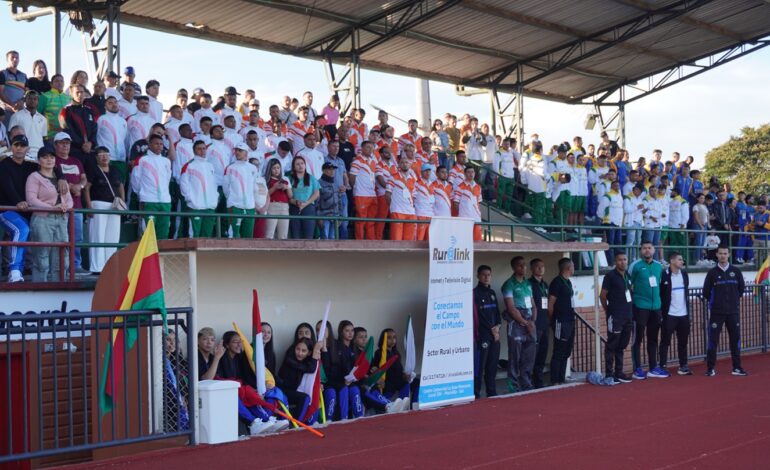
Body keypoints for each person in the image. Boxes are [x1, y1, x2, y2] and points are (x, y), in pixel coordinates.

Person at [26, 147, 73, 282]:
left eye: (51, 157)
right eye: (45, 157)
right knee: (42, 258)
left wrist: (65, 206)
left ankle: (59, 289)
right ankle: (40, 290)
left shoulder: (60, 178)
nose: (49, 160)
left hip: (62, 218)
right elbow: (31, 200)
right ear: (38, 160)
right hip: (42, 219)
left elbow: (69, 200)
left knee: (62, 256)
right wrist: (53, 207)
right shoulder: (34, 177)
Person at [703, 246, 747, 376]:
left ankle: (737, 368)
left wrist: (732, 302)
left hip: (733, 312)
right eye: (720, 253)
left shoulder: (736, 271)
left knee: (735, 340)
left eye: (725, 253)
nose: (723, 256)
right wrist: (716, 304)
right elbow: (706, 292)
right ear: (717, 255)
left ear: (729, 254)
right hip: (717, 313)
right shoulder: (712, 273)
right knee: (713, 341)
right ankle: (710, 368)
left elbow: (741, 289)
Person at [0, 135, 36, 282]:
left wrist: (60, 177)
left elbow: (51, 166)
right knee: (21, 229)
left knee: (28, 229)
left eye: (22, 145)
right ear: (11, 147)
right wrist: (19, 202)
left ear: (27, 148)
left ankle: (20, 270)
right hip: (5, 210)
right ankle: (14, 270)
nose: (19, 148)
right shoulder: (4, 165)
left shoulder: (30, 166)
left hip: (22, 212)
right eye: (16, 145)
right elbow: (7, 187)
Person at [84, 146, 124, 273]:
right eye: (100, 154)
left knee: (112, 237)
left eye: (106, 154)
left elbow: (120, 185)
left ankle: (110, 266)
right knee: (98, 236)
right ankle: (97, 268)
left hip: (114, 206)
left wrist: (122, 201)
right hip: (98, 204)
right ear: (96, 157)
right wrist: (89, 206)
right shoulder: (93, 169)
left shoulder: (114, 169)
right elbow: (86, 188)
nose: (104, 156)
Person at [628, 241, 664, 379]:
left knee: (653, 339)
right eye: (644, 248)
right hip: (640, 307)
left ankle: (653, 367)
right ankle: (637, 368)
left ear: (654, 250)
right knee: (638, 339)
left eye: (649, 248)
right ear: (640, 250)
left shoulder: (659, 266)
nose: (647, 250)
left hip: (656, 308)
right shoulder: (635, 266)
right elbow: (628, 285)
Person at [53, 132, 87, 273]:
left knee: (77, 237)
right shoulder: (52, 160)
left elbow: (84, 178)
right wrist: (70, 187)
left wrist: (80, 186)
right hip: (60, 206)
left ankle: (76, 265)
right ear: (55, 145)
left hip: (77, 205)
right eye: (62, 143)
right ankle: (62, 266)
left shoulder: (76, 161)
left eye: (67, 143)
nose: (65, 145)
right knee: (61, 238)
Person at [501, 256, 537, 392]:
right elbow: (510, 307)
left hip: (529, 321)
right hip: (516, 322)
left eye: (524, 265)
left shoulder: (528, 284)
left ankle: (526, 383)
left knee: (529, 354)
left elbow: (533, 305)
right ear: (514, 268)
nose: (523, 268)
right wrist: (524, 322)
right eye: (520, 265)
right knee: (515, 354)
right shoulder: (509, 284)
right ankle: (513, 385)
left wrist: (532, 321)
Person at [600, 252, 634, 383]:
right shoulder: (610, 276)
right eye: (620, 260)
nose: (623, 262)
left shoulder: (628, 276)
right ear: (615, 261)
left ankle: (619, 372)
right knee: (612, 344)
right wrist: (608, 310)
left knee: (622, 345)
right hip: (615, 316)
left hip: (628, 316)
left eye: (625, 259)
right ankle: (609, 373)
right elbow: (602, 296)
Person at [132, 134, 172, 239]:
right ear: (149, 145)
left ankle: (161, 255)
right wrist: (142, 194)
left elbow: (167, 179)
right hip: (148, 200)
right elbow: (135, 179)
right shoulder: (142, 160)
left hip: (165, 201)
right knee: (147, 233)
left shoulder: (166, 161)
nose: (159, 146)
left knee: (163, 232)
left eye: (161, 144)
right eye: (156, 144)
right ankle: (146, 256)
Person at [658, 251, 692, 376]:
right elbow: (660, 294)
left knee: (683, 342)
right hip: (669, 315)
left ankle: (683, 366)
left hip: (683, 315)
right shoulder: (664, 275)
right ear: (672, 261)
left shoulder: (684, 274)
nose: (682, 262)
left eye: (682, 259)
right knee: (665, 341)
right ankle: (662, 365)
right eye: (679, 259)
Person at [224, 143, 267, 238]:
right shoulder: (230, 168)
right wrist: (231, 200)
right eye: (236, 150)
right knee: (233, 235)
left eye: (240, 150)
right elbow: (226, 188)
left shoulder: (253, 168)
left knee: (248, 236)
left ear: (246, 153)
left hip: (250, 207)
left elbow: (253, 187)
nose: (237, 152)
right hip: (235, 206)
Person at [179, 140, 219, 237]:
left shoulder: (210, 165)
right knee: (194, 235)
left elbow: (214, 184)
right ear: (194, 151)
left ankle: (204, 253)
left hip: (210, 207)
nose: (202, 151)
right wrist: (190, 200)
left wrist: (215, 199)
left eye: (204, 148)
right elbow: (183, 184)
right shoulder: (189, 165)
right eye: (199, 149)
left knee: (207, 235)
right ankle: (192, 253)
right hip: (195, 207)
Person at [278, 337, 322, 423]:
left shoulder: (307, 361)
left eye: (303, 351)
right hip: (284, 390)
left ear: (309, 353)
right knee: (305, 398)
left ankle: (303, 421)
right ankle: (297, 423)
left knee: (311, 396)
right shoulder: (289, 359)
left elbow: (313, 370)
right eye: (298, 349)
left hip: (295, 391)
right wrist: (314, 354)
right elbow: (311, 369)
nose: (299, 353)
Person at [548, 258, 577, 385]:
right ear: (568, 268)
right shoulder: (556, 282)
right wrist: (552, 320)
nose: (574, 268)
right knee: (559, 350)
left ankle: (561, 378)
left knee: (567, 350)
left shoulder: (568, 282)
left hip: (570, 320)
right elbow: (551, 303)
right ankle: (555, 380)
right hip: (560, 321)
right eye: (573, 266)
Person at [473, 265, 501, 398]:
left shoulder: (492, 293)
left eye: (489, 275)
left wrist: (497, 328)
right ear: (478, 276)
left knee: (492, 364)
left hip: (495, 335)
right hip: (483, 335)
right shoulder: (475, 293)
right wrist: (492, 330)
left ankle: (492, 392)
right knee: (480, 366)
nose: (486, 277)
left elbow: (496, 313)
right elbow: (479, 316)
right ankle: (476, 393)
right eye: (483, 274)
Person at [349, 141, 379, 240]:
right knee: (361, 220)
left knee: (371, 221)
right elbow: (352, 177)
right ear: (362, 149)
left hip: (372, 194)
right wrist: (356, 189)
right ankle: (360, 242)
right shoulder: (357, 161)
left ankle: (371, 241)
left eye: (372, 147)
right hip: (361, 194)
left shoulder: (373, 162)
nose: (370, 149)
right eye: (367, 147)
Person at [529, 259, 550, 388]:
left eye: (542, 266)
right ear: (532, 269)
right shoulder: (529, 284)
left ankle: (539, 381)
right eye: (537, 267)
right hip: (534, 324)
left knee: (543, 353)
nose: (541, 269)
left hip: (545, 323)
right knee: (533, 354)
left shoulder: (545, 285)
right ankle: (530, 381)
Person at [96, 95, 129, 180]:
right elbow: (95, 136)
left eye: (115, 102)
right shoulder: (101, 119)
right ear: (105, 106)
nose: (113, 105)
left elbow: (125, 140)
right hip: (107, 158)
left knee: (121, 184)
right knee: (108, 185)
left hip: (121, 159)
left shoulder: (123, 121)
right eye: (110, 103)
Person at [288, 155, 320, 239]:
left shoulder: (311, 178)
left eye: (302, 163)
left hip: (308, 208)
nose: (300, 166)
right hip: (295, 208)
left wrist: (306, 203)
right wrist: (296, 202)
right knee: (295, 236)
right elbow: (289, 197)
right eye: (297, 164)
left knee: (308, 236)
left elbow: (317, 193)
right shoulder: (290, 179)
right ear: (294, 167)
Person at [8, 90, 47, 159]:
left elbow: (43, 137)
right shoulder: (16, 116)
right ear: (25, 100)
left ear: (38, 101)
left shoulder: (43, 119)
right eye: (29, 98)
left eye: (35, 99)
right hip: (23, 153)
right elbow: (10, 136)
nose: (32, 101)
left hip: (39, 153)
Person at [264, 158, 292, 240]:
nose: (276, 170)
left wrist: (287, 188)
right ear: (270, 169)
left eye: (278, 168)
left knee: (283, 235)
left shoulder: (285, 180)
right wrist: (275, 187)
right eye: (274, 168)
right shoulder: (267, 180)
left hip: (284, 207)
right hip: (272, 206)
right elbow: (266, 194)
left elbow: (290, 196)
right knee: (269, 233)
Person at [453, 165, 483, 241]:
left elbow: (478, 202)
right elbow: (456, 202)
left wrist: (478, 213)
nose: (471, 174)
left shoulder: (478, 187)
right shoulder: (460, 187)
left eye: (472, 172)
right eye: (469, 172)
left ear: (475, 173)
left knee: (477, 240)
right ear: (465, 174)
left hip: (476, 218)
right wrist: (462, 213)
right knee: (464, 239)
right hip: (464, 218)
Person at [37, 73, 71, 139]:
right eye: (57, 81)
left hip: (66, 135)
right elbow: (37, 114)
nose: (60, 83)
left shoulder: (69, 98)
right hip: (49, 136)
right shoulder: (44, 96)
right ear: (51, 84)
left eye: (61, 81)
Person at [317, 162, 342, 239]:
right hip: (324, 216)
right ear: (324, 171)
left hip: (335, 216)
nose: (332, 172)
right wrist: (319, 218)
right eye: (329, 169)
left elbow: (339, 201)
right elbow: (317, 202)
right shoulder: (319, 183)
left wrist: (340, 216)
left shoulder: (336, 183)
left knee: (333, 239)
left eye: (333, 170)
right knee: (325, 238)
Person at [0, 51, 27, 123]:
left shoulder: (23, 75)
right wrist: (12, 106)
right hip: (6, 112)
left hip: (20, 111)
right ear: (7, 60)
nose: (15, 59)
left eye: (17, 58)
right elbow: (1, 93)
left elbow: (27, 92)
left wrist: (22, 101)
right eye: (12, 57)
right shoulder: (2, 73)